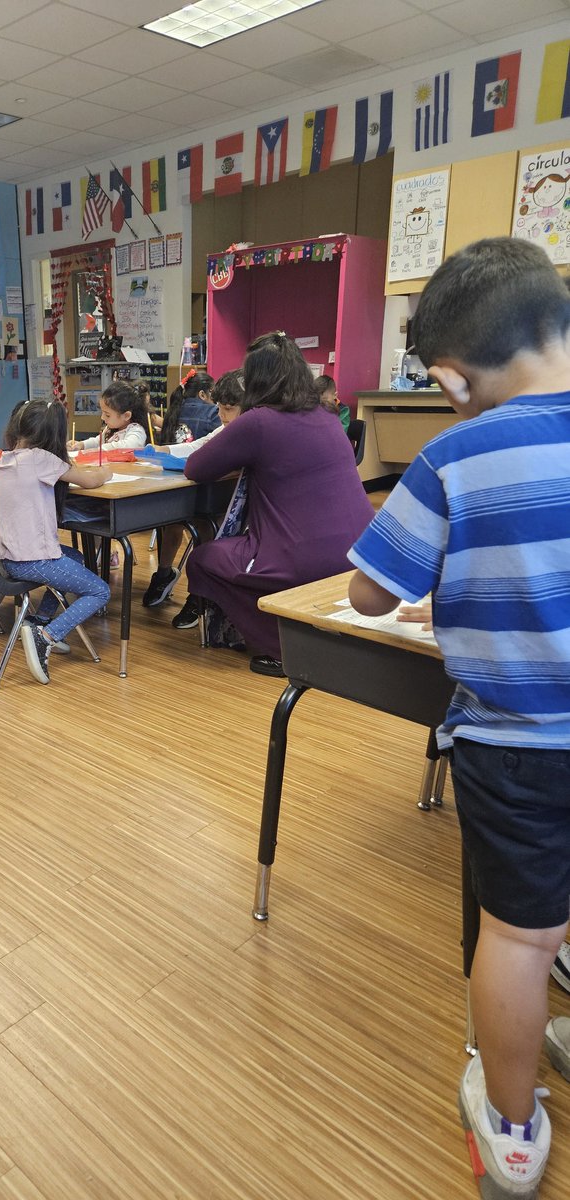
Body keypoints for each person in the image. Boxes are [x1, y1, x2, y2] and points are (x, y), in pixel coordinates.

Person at [346, 237, 570, 1200]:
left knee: (517, 938)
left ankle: (513, 1135)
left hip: (513, 747)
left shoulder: (453, 453)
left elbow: (366, 593)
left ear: (448, 376)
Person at [183, 332, 373, 676]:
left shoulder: (259, 421)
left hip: (301, 558)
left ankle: (284, 647)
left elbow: (196, 468)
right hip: (360, 550)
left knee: (204, 559)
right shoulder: (327, 415)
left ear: (255, 379)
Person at [0, 400, 112, 685]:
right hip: (34, 560)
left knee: (76, 557)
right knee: (100, 591)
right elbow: (90, 481)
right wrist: (106, 472)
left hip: (10, 556)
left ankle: (39, 620)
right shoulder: (42, 460)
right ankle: (46, 636)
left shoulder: (4, 458)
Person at [142, 369, 245, 614]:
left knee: (205, 528)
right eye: (218, 407)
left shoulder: (250, 428)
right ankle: (191, 590)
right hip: (215, 498)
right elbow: (201, 444)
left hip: (240, 511)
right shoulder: (224, 426)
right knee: (181, 522)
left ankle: (202, 596)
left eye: (228, 409)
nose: (220, 415)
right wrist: (164, 450)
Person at [67, 381, 149, 452]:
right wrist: (82, 445)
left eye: (107, 415)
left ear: (126, 415)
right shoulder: (110, 429)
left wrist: (101, 449)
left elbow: (130, 446)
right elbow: (98, 441)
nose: (102, 417)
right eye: (102, 412)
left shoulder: (136, 431)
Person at [158, 369, 218, 445]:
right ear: (202, 394)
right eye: (213, 393)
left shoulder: (173, 410)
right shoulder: (213, 412)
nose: (216, 398)